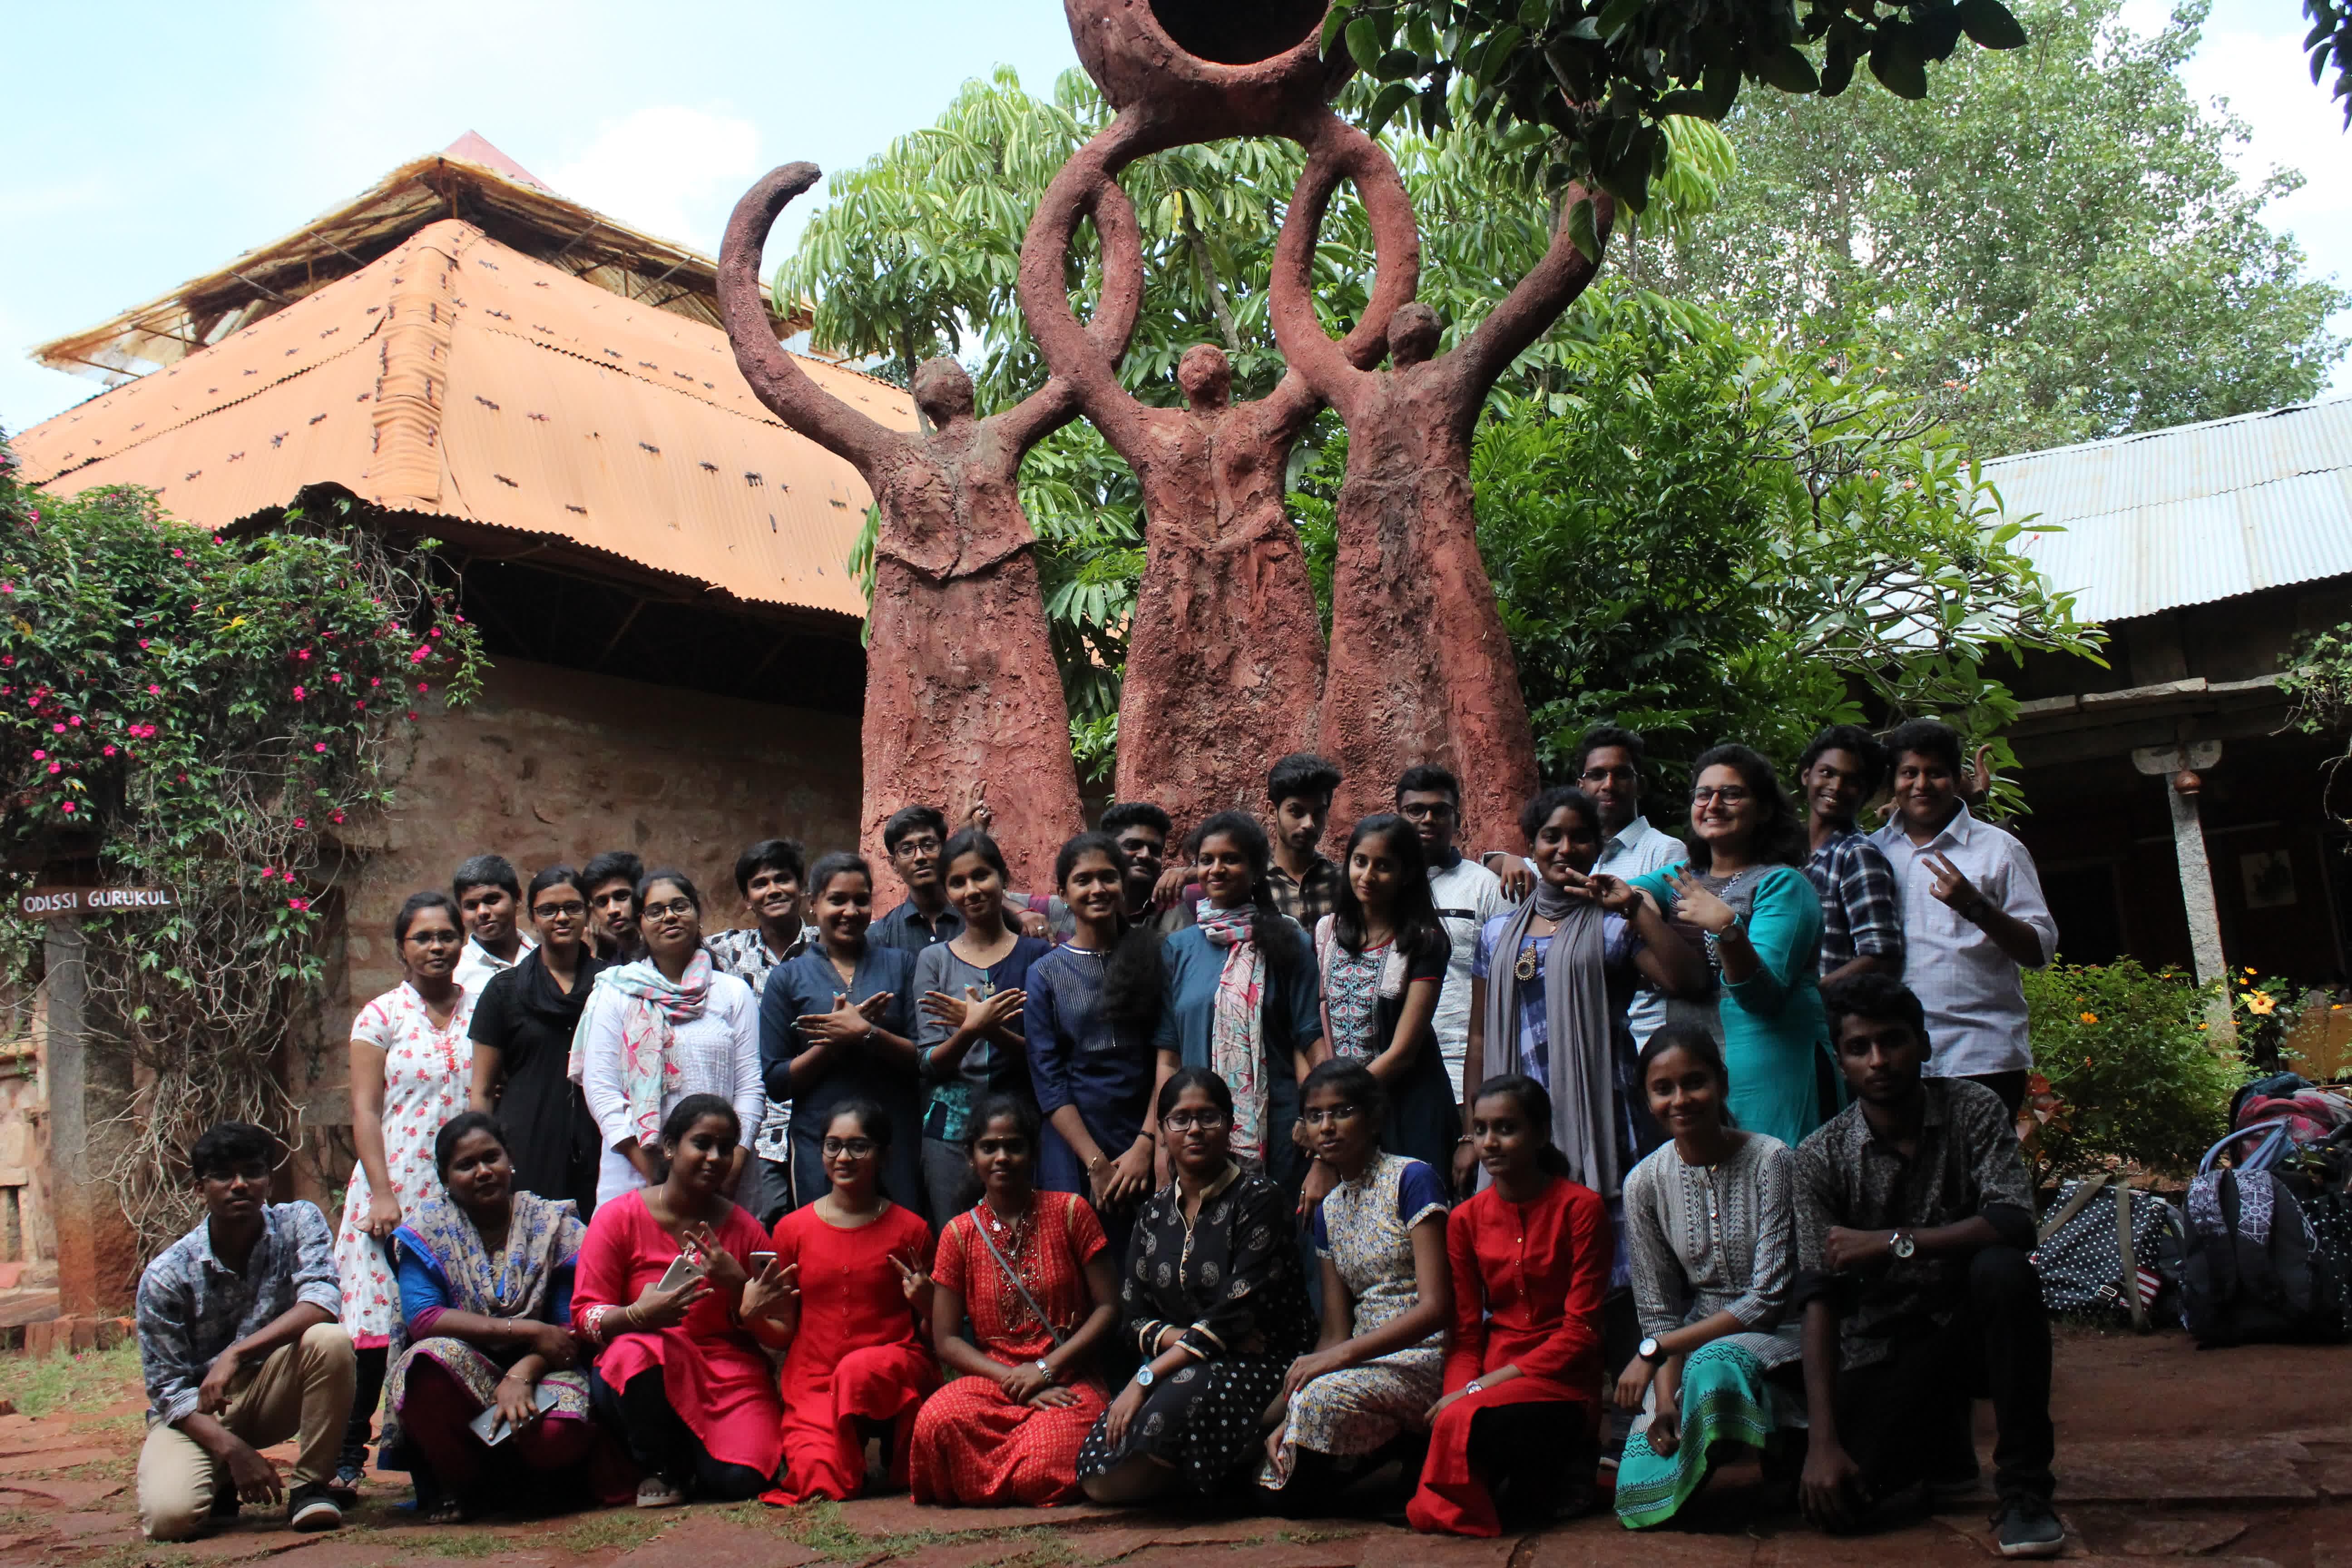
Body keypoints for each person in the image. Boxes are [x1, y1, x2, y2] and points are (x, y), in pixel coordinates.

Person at [1793, 975, 2060, 1558]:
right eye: (1859, 1048)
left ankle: (2025, 1493)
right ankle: (1940, 1441)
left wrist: (1893, 1243)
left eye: (1894, 1041)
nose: (1879, 1060)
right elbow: (1820, 1296)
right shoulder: (1819, 1158)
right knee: (1847, 1502)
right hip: (1888, 1347)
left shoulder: (1973, 1111)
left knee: (2004, 1272)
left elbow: (2014, 1221)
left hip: (1973, 1332)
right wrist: (1823, 1441)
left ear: (1925, 1044)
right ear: (1841, 1062)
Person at [1077, 1069, 1315, 1503]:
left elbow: (1233, 1315)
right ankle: (1223, 1469)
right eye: (1180, 1119)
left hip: (1266, 1362)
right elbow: (1132, 1319)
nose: (1195, 1130)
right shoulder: (1152, 1213)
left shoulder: (1260, 1201)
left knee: (1150, 1442)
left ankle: (1225, 1468)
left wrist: (1144, 1378)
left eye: (1209, 1117)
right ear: (1163, 1132)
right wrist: (1187, 1342)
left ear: (1230, 1125)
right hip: (1185, 1361)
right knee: (1096, 1468)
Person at [1467, 785, 1706, 1202]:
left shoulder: (1612, 925)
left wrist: (1633, 908)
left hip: (1602, 1105)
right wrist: (1471, 1132)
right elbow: (1480, 1037)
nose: (1565, 848)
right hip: (1516, 1112)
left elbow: (1688, 982)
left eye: (1579, 837)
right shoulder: (1497, 934)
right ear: (1532, 845)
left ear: (1596, 847)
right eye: (1552, 836)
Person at [1612, 1027, 1803, 1530]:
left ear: (1721, 1082)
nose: (1681, 1100)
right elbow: (1658, 1311)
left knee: (1717, 1366)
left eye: (1694, 1083)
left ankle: (1785, 1448)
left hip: (1784, 1332)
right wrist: (1664, 1397)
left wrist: (1654, 1353)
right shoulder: (1644, 1184)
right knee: (1640, 1487)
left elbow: (1768, 1300)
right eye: (1663, 1089)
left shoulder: (1772, 1160)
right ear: (1647, 1097)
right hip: (1690, 1340)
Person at [382, 1113, 617, 1522]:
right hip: (464, 1378)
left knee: (556, 1434)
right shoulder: (428, 1230)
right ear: (445, 1177)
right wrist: (527, 1329)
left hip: (546, 1367)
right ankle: (462, 1485)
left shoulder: (552, 1225)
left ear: (510, 1161)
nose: (483, 1172)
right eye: (466, 1165)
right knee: (425, 1365)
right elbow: (425, 1319)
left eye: (491, 1158)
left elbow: (567, 1329)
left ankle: (528, 1485)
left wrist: (522, 1374)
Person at [1408, 1074, 1611, 1538]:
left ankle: (1569, 1464)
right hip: (1490, 1380)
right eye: (1480, 1130)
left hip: (1561, 1381)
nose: (1490, 1142)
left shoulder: (1580, 1208)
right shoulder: (1465, 1219)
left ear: (1540, 1135)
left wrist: (1473, 1395)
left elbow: (1581, 1334)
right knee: (1450, 1431)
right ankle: (1537, 1482)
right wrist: (1457, 1396)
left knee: (1470, 1433)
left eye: (1506, 1128)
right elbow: (1464, 1334)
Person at [135, 1122, 355, 1541]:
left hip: (274, 1388)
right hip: (199, 1413)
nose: (240, 1185)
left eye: (252, 1172)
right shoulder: (167, 1275)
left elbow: (323, 1300)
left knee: (331, 1340)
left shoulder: (299, 1223)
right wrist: (235, 1452)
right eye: (223, 1175)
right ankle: (219, 1481)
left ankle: (311, 1487)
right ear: (200, 1189)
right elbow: (166, 1391)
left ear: (269, 1181)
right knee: (169, 1520)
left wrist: (234, 1354)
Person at [573, 1095, 787, 1505]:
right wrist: (638, 1315)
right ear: (670, 1147)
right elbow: (585, 1316)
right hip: (645, 1369)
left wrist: (740, 1284)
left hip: (728, 1373)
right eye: (702, 1143)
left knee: (742, 1482)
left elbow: (781, 1334)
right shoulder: (618, 1219)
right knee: (638, 1352)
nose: (715, 1157)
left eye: (726, 1148)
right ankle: (659, 1465)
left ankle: (693, 1461)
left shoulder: (747, 1231)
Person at [335, 890, 478, 1489]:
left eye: (446, 935)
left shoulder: (483, 1010)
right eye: (423, 937)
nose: (436, 947)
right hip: (390, 1194)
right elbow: (365, 1112)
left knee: (443, 1327)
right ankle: (346, 1457)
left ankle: (437, 1463)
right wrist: (382, 1194)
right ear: (402, 948)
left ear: (461, 942)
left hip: (461, 1196)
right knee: (372, 1332)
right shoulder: (380, 1015)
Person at [912, 1095, 1119, 1507]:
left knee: (1041, 1467)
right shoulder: (958, 1235)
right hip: (994, 1382)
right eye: (989, 1147)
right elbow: (947, 1340)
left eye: (1014, 1146)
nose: (1002, 1157)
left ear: (1033, 1153)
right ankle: (1007, 1476)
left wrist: (1045, 1370)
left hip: (1066, 1380)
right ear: (972, 1157)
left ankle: (993, 1482)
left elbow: (1110, 1308)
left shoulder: (1072, 1212)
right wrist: (1016, 1382)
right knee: (935, 1421)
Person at [1259, 1061, 1450, 1506]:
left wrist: (1331, 1369)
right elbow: (1335, 1329)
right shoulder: (1328, 1211)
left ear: (1374, 1118)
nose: (1327, 1127)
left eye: (1342, 1112)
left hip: (1423, 1359)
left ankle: (1404, 1449)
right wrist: (1296, 1399)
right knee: (1272, 1422)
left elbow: (1437, 1307)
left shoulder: (1412, 1179)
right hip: (1360, 1364)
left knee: (1314, 1410)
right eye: (1314, 1115)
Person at [1629, 745, 1833, 1153]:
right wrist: (1640, 905)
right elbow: (1632, 892)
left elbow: (1762, 995)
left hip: (1774, 1068)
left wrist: (1727, 929)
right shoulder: (1685, 877)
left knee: (1781, 1186)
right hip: (1700, 1078)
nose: (1714, 804)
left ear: (1763, 811)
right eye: (1703, 795)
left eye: (1732, 794)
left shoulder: (1783, 884)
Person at [1867, 718, 2058, 1117]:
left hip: (1982, 1055)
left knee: (1977, 1178)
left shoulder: (1999, 850)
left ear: (1957, 780)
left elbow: (2040, 950)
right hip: (1894, 1057)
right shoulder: (1870, 853)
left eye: (1935, 773)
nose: (1921, 784)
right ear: (1893, 782)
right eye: (1909, 773)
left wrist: (1977, 908)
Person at [762, 1101, 938, 1504]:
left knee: (859, 1371)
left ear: (883, 1155)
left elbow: (933, 1337)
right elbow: (784, 1329)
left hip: (889, 1365)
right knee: (820, 1482)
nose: (843, 1157)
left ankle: (892, 1443)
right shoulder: (792, 1230)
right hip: (815, 1376)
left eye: (858, 1147)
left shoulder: (912, 1230)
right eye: (833, 1146)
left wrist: (930, 1306)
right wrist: (750, 1312)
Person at [1484, 727, 1690, 1046]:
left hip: (1644, 1033)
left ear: (1640, 784)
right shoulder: (1570, 853)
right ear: (1581, 785)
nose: (1608, 785)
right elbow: (1522, 866)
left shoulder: (1665, 851)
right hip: (1563, 1027)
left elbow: (1664, 950)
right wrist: (1506, 858)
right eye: (1596, 775)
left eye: (1621, 774)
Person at [1154, 812, 1325, 1192]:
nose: (1217, 869)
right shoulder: (1178, 949)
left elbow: (1311, 1039)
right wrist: (1161, 1142)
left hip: (1280, 1125)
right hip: (1196, 1132)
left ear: (1255, 869)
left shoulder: (1288, 942)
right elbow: (1169, 1054)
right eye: (1206, 860)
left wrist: (1317, 1119)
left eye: (1230, 859)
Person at [575, 870, 764, 1208]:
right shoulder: (618, 993)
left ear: (697, 913)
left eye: (680, 906)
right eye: (656, 910)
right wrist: (654, 1173)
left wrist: (730, 1168)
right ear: (640, 924)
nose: (670, 917)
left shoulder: (732, 993)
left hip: (720, 1173)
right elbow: (600, 1087)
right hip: (636, 1171)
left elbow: (750, 1087)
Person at [1025, 833, 1162, 1254]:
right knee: (1086, 1259)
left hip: (1146, 1128)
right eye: (1084, 880)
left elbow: (1168, 1057)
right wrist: (1096, 1164)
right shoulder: (1045, 973)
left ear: (1123, 884)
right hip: (1076, 1139)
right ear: (1064, 893)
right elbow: (1048, 1080)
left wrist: (1146, 1144)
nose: (1098, 889)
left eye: (1108, 877)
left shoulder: (1151, 956)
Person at [764, 852, 924, 1210]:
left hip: (894, 1140)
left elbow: (924, 1059)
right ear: (814, 903)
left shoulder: (901, 966)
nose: (850, 912)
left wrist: (868, 1034)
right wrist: (834, 1044)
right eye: (837, 900)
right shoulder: (788, 978)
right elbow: (776, 1081)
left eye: (861, 900)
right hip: (821, 1144)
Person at [913, 828, 1052, 1222]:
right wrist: (971, 1031)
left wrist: (991, 1030)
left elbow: (1047, 1057)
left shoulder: (1037, 955)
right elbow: (927, 1063)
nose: (971, 890)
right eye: (957, 882)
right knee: (957, 1242)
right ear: (946, 892)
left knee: (1027, 1236)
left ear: (1002, 879)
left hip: (1024, 1125)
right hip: (950, 1130)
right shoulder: (933, 961)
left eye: (981, 876)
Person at [1315, 814, 1456, 1175]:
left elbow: (1403, 1053)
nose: (1367, 876)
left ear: (1407, 874)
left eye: (1383, 866)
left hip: (1408, 1107)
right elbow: (1313, 1027)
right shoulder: (1326, 932)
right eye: (1360, 862)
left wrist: (1338, 1102)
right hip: (1343, 1115)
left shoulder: (1426, 941)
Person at [469, 865, 607, 1217]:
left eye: (573, 908)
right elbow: (482, 1091)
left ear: (588, 913)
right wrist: (482, 1160)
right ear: (532, 917)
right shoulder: (504, 991)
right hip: (526, 1141)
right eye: (549, 910)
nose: (562, 918)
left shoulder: (612, 985)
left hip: (603, 1141)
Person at [705, 838, 816, 1226]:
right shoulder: (726, 952)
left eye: (783, 879)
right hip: (758, 1126)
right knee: (761, 1228)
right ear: (747, 899)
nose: (773, 890)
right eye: (760, 884)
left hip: (820, 1118)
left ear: (802, 888)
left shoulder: (829, 943)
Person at [1395, 765, 1512, 1104]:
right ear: (1398, 816)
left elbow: (1505, 980)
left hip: (1464, 1068)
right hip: (1394, 1069)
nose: (1428, 819)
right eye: (1416, 810)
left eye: (1440, 811)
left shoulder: (1485, 887)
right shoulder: (1380, 886)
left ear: (1457, 819)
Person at [1797, 725, 1905, 985]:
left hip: (1827, 1019)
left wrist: (1809, 999)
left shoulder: (1857, 856)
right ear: (1806, 775)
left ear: (1866, 794)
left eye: (1852, 781)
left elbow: (1882, 957)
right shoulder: (1785, 850)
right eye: (1827, 773)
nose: (1836, 787)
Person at [1263, 753, 1343, 927]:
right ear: (1271, 812)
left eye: (1318, 813)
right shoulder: (1254, 883)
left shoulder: (1345, 882)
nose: (1309, 824)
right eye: (1297, 812)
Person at [452, 855, 535, 994]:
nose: (482, 912)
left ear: (518, 898)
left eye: (492, 900)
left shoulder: (543, 958)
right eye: (471, 906)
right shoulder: (456, 973)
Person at [1100, 802, 1173, 924]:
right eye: (1132, 846)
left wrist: (1190, 874)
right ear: (1107, 849)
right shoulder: (1074, 908)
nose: (1145, 855)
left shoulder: (1176, 905)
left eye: (1155, 850)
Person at [582, 850, 645, 965]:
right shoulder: (608, 955)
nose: (612, 910)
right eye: (602, 902)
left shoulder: (659, 951)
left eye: (622, 897)